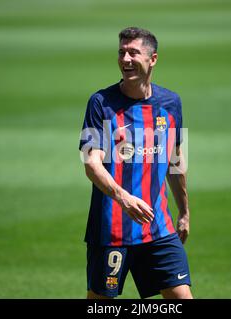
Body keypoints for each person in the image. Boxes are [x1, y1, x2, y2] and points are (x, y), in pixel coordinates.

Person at [79, 27, 192, 299]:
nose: (125, 59)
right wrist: (123, 198)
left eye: (133, 53)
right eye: (121, 52)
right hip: (111, 232)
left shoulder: (171, 102)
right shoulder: (100, 103)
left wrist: (184, 211)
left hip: (159, 229)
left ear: (152, 59)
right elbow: (91, 163)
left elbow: (175, 161)